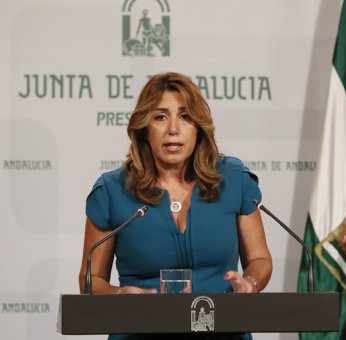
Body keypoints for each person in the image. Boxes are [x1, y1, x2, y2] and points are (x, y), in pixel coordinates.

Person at [78, 72, 272, 339]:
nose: (173, 129)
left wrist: (249, 283)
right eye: (160, 117)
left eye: (185, 116)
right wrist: (120, 294)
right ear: (144, 127)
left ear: (198, 127)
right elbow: (90, 282)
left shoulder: (233, 179)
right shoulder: (112, 191)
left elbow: (260, 260)